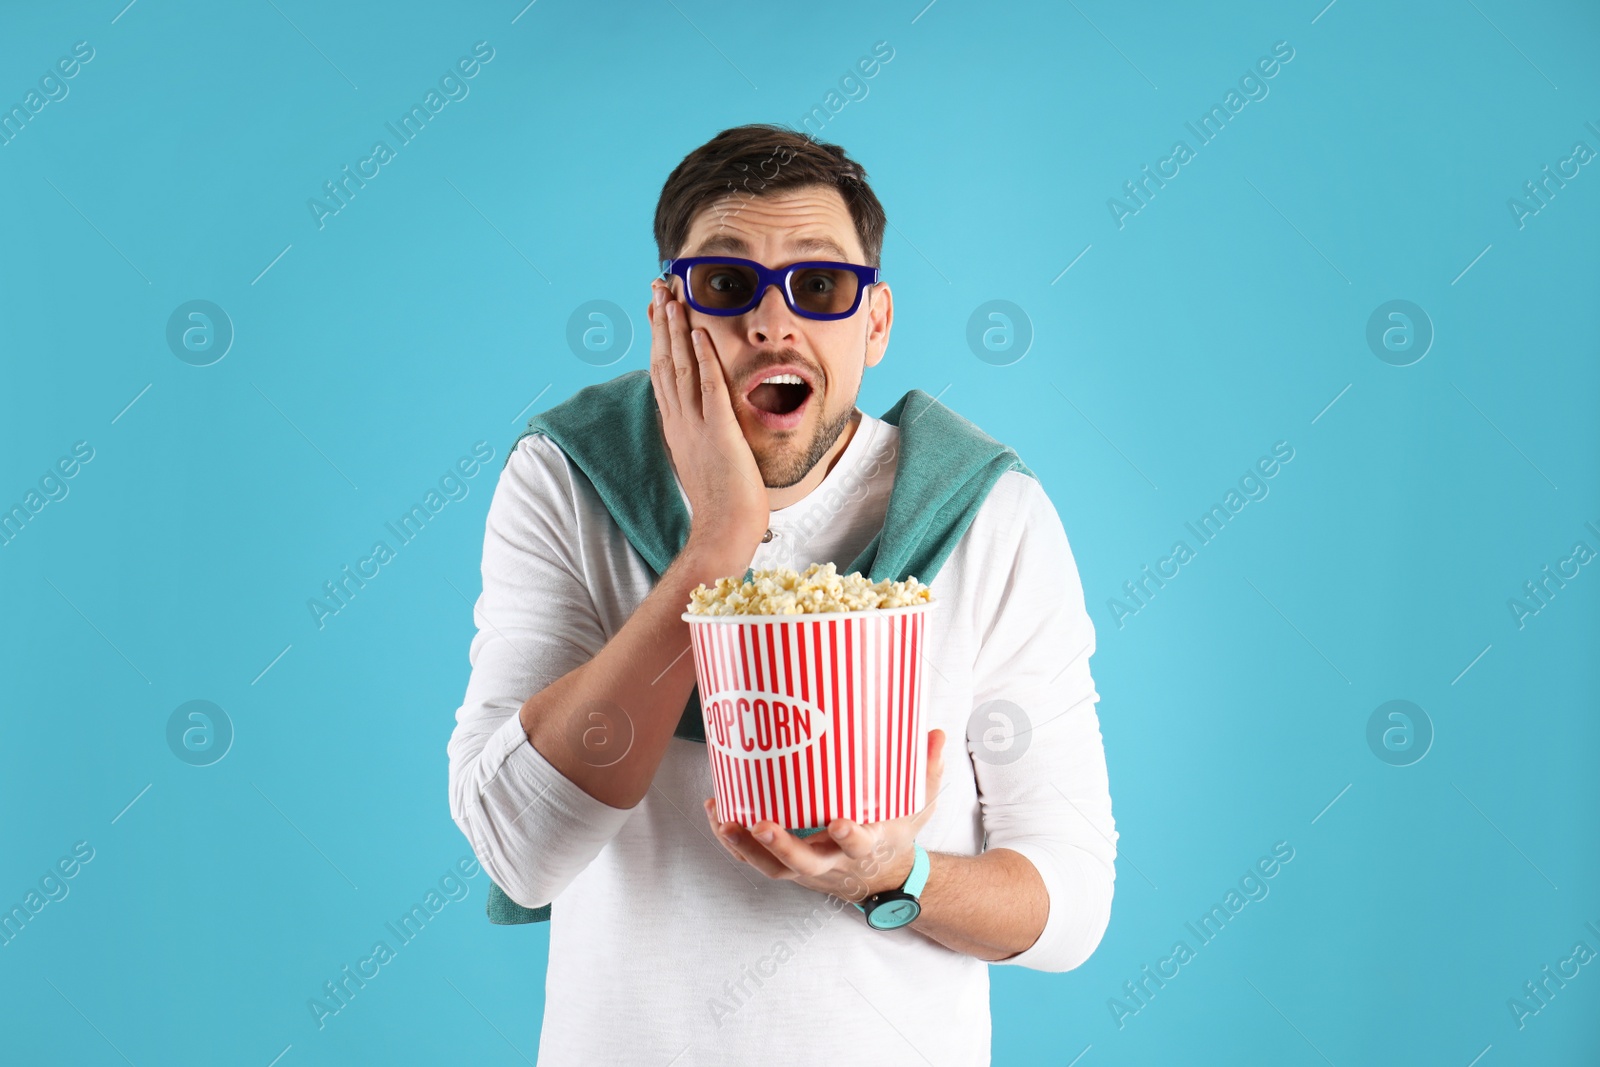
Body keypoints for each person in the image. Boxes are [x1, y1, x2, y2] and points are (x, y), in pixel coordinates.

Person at [446, 123, 1117, 1065]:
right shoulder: (569, 477)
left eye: (819, 285)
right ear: (668, 315)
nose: (772, 322)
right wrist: (718, 540)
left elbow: (1071, 904)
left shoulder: (990, 514)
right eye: (726, 285)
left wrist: (896, 874)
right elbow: (519, 849)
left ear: (875, 322)